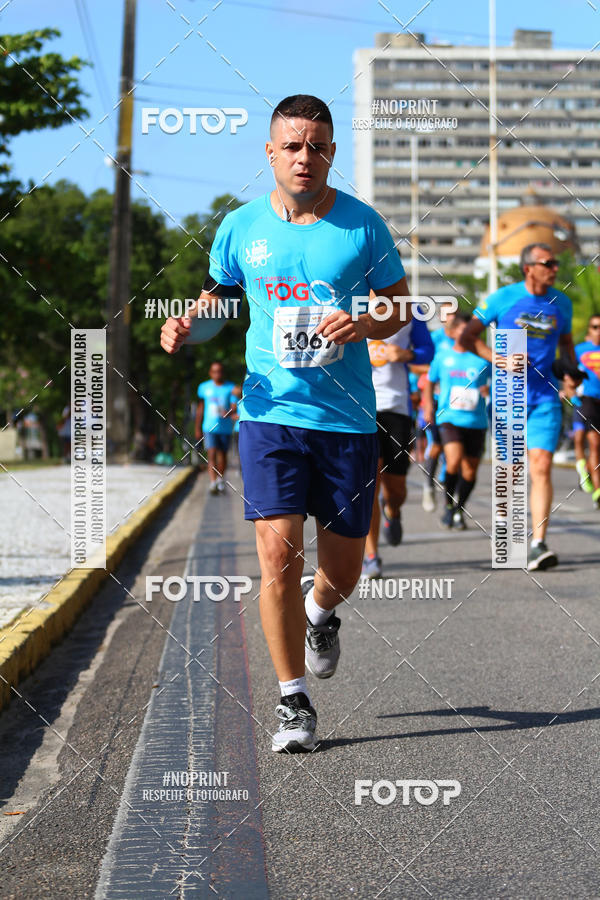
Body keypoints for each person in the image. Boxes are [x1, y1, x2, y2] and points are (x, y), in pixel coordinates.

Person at [160, 94, 410, 753]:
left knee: (343, 568)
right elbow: (219, 301)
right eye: (293, 145)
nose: (306, 157)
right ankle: (292, 699)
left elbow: (400, 309)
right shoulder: (241, 227)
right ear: (270, 152)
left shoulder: (362, 227)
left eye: (319, 146)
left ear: (333, 152)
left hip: (347, 420)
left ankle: (321, 613)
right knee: (275, 558)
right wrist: (189, 325)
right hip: (268, 415)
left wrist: (364, 321)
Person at [460, 243, 581, 570]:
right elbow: (467, 338)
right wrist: (499, 359)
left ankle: (538, 544)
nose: (555, 269)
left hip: (544, 396)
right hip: (508, 397)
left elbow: (567, 345)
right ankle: (503, 521)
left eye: (556, 263)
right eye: (548, 263)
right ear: (528, 268)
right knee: (511, 470)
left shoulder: (562, 303)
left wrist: (569, 375)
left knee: (540, 465)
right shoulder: (503, 297)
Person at [362, 309, 434, 578]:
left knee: (396, 489)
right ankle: (372, 556)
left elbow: (428, 350)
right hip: (361, 407)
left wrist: (408, 355)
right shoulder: (346, 298)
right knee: (369, 485)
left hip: (397, 409)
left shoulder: (411, 309)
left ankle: (392, 510)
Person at [423, 312, 491, 529]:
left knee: (470, 471)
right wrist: (427, 406)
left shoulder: (483, 358)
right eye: (462, 329)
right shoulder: (443, 357)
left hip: (476, 421)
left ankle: (458, 508)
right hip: (449, 418)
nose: (467, 333)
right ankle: (448, 504)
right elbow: (429, 382)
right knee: (453, 460)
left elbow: (500, 378)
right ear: (451, 332)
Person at [416, 301, 456, 512]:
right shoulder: (435, 339)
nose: (452, 318)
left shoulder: (465, 340)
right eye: (448, 314)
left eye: (455, 314)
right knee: (438, 445)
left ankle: (448, 489)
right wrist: (437, 372)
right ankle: (429, 484)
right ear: (441, 317)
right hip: (436, 400)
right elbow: (415, 364)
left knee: (458, 452)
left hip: (459, 404)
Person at [195, 362, 237, 494]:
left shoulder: (231, 388)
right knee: (211, 453)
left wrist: (228, 412)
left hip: (225, 428)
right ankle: (213, 482)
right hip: (208, 427)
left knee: (222, 455)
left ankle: (220, 478)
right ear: (210, 373)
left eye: (219, 371)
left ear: (223, 373)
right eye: (214, 371)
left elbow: (234, 406)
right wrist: (197, 427)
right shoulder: (204, 387)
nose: (217, 374)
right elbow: (200, 408)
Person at [575, 313, 600, 507]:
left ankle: (588, 469)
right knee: (593, 443)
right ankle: (598, 492)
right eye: (594, 327)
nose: (598, 331)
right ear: (589, 330)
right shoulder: (579, 350)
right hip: (588, 401)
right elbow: (566, 372)